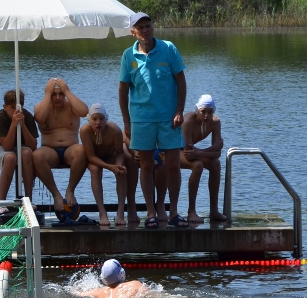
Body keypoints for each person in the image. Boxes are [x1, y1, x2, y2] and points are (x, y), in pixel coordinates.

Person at [119, 12, 188, 228]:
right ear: (133, 33)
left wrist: (179, 110)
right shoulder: (128, 56)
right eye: (141, 28)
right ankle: (151, 212)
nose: (146, 30)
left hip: (169, 118)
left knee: (174, 164)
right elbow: (123, 91)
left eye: (149, 26)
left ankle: (173, 211)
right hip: (142, 119)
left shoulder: (168, 48)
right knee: (146, 165)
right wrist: (127, 122)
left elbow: (181, 82)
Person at [32, 77, 90, 220]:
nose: (58, 98)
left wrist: (67, 91)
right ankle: (56, 195)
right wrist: (47, 94)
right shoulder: (41, 106)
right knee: (36, 156)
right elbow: (39, 118)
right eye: (54, 94)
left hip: (70, 149)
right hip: (49, 150)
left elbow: (84, 111)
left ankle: (70, 190)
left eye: (60, 94)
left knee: (82, 150)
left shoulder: (71, 105)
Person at [82, 104, 137, 228]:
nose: (98, 123)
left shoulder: (114, 130)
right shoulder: (85, 131)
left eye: (101, 119)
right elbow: (91, 157)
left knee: (122, 169)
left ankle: (121, 212)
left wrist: (117, 166)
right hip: (95, 158)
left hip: (111, 154)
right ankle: (102, 212)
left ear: (106, 119)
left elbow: (119, 153)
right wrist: (109, 167)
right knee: (95, 171)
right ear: (89, 120)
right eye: (94, 119)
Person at [0, 89, 39, 223]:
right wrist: (13, 124)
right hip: (0, 146)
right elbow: (6, 145)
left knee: (27, 153)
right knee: (10, 157)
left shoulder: (27, 116)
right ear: (5, 107)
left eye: (18, 108)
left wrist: (22, 125)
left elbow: (33, 144)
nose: (16, 111)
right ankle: (2, 203)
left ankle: (29, 200)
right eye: (12, 108)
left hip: (21, 146)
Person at [181, 94, 227, 223]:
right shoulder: (188, 121)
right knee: (197, 165)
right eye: (203, 112)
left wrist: (200, 153)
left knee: (215, 164)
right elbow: (188, 153)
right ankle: (191, 211)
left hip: (194, 152)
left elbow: (217, 152)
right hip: (175, 151)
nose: (206, 115)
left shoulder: (215, 122)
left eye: (210, 112)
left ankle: (214, 211)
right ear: (197, 110)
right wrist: (203, 153)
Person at [78, 259, 149, 298]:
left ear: (103, 278)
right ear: (122, 273)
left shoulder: (97, 292)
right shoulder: (134, 285)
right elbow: (151, 295)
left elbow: (77, 294)